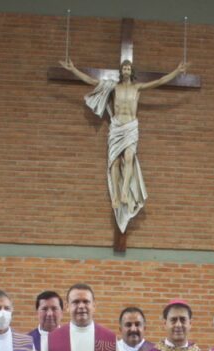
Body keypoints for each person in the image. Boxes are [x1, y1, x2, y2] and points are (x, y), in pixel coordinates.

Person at [58, 57, 187, 232]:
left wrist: (176, 72)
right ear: (121, 72)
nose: (126, 70)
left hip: (131, 126)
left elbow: (159, 81)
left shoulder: (137, 88)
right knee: (115, 161)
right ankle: (116, 196)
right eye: (124, 68)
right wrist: (73, 70)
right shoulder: (114, 87)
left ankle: (125, 191)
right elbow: (92, 81)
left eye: (128, 68)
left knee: (129, 157)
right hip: (117, 127)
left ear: (131, 72)